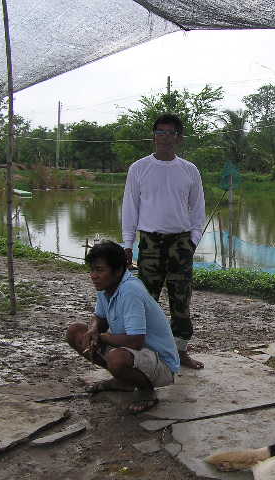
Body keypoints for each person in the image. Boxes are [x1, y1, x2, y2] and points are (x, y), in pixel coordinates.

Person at [121, 113, 206, 369]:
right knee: (147, 299)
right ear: (153, 136)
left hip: (180, 242)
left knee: (181, 298)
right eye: (160, 132)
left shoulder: (189, 170)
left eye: (171, 133)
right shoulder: (139, 168)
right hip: (150, 243)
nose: (165, 138)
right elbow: (130, 207)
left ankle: (180, 350)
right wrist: (128, 243)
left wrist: (192, 241)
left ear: (179, 138)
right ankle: (147, 352)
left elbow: (197, 209)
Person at [66, 241, 180, 414]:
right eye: (92, 270)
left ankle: (146, 391)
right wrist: (93, 330)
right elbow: (99, 317)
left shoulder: (130, 291)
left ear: (118, 270)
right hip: (135, 353)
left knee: (116, 359)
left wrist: (102, 337)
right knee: (75, 332)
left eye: (100, 270)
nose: (93, 276)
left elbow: (136, 341)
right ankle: (125, 381)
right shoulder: (106, 286)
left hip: (161, 363)